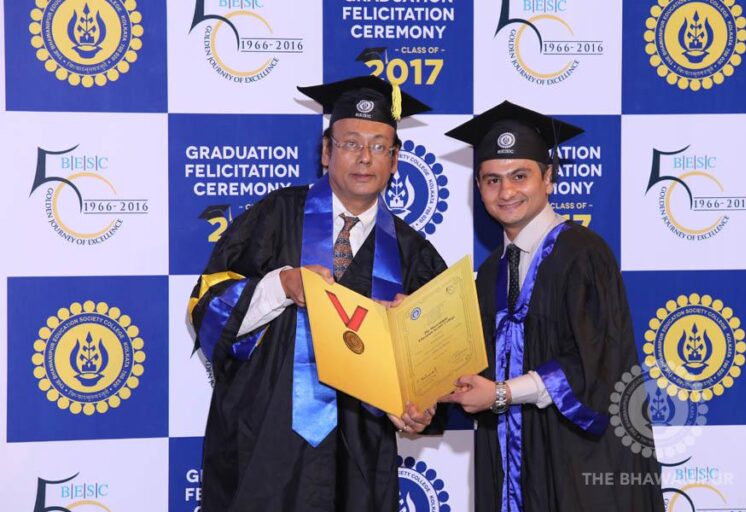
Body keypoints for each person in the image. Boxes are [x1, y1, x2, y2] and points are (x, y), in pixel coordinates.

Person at [188, 76, 447, 512]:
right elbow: (207, 305)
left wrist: (421, 405)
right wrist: (281, 285)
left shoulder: (413, 252)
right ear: (326, 151)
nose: (364, 157)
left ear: (395, 160)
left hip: (360, 457)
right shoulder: (274, 216)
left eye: (379, 146)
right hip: (264, 442)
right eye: (350, 143)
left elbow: (438, 367)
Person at [441, 101, 664, 511]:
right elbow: (474, 367)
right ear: (478, 187)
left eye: (519, 176)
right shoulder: (489, 273)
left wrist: (503, 393)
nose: (506, 192)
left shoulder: (583, 254)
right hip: (510, 466)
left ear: (548, 178)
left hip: (581, 464)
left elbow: (597, 364)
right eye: (492, 180)